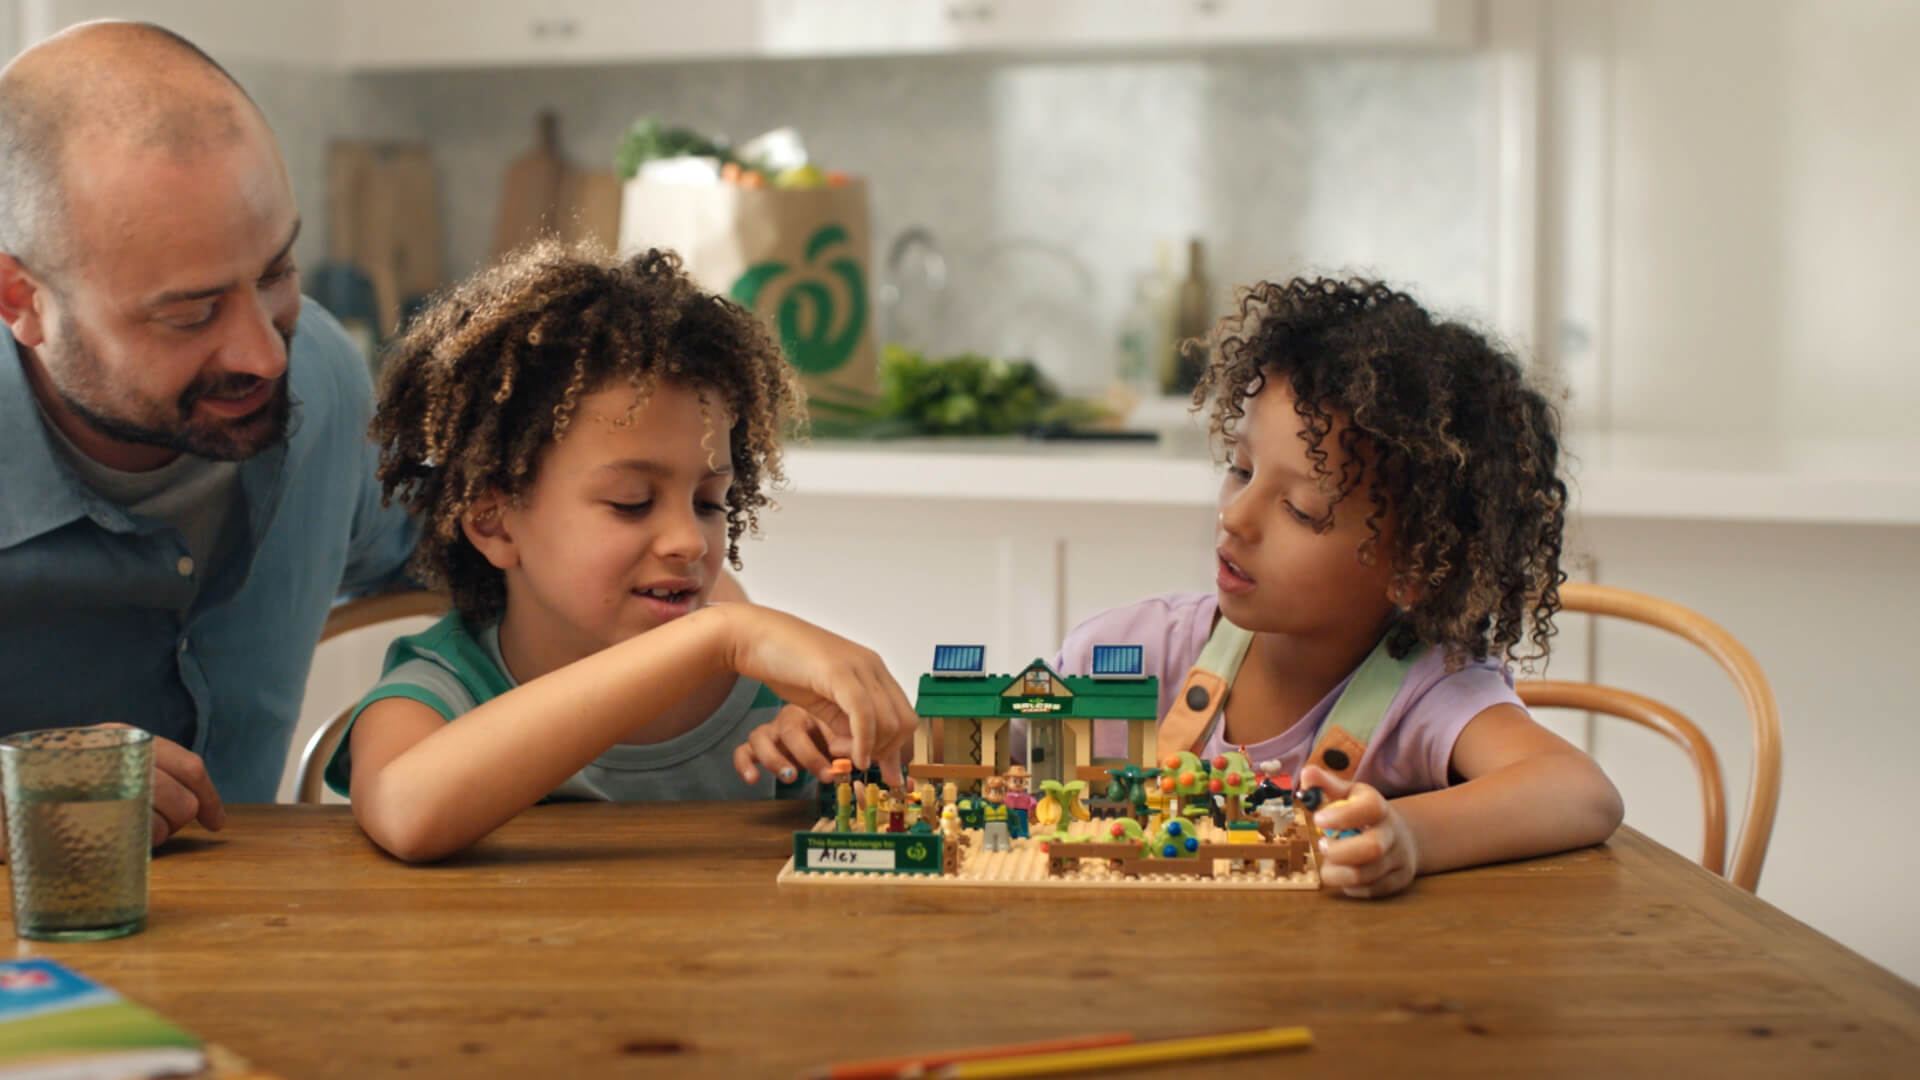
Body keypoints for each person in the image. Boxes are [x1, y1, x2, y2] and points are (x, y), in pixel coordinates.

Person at [328, 241, 916, 862]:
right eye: (632, 502)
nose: (689, 540)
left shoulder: (773, 694)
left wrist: (857, 747)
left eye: (710, 502)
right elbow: (405, 814)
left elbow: (941, 772)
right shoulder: (440, 689)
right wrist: (719, 636)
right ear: (495, 522)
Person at [1053, 277, 1623, 897]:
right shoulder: (1130, 651)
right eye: (1240, 470)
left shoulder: (1427, 692)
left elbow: (1582, 792)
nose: (1235, 516)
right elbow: (975, 741)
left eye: (1299, 510)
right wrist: (928, 729)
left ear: (1412, 565)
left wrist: (1409, 835)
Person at [0, 21, 418, 843]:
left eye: (276, 273)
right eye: (190, 314)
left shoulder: (324, 376)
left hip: (258, 950)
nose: (264, 353)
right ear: (22, 301)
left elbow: (472, 553)